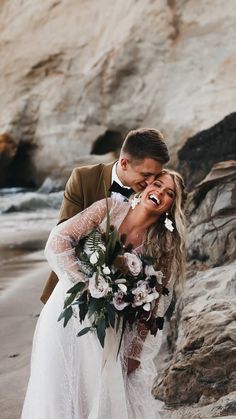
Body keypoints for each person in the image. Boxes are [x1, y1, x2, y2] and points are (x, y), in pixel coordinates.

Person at [21, 169, 187, 419]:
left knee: (94, 395)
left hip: (107, 330)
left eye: (169, 194)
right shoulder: (109, 208)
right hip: (67, 312)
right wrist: (88, 284)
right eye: (157, 185)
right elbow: (59, 240)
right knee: (57, 388)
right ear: (145, 187)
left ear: (170, 206)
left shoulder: (163, 246)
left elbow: (153, 304)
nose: (160, 193)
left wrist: (134, 351)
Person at [40, 128, 170, 304]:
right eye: (146, 175)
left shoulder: (150, 198)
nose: (150, 183)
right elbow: (63, 237)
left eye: (155, 176)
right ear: (124, 163)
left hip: (122, 301)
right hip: (72, 288)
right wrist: (88, 289)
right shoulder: (83, 178)